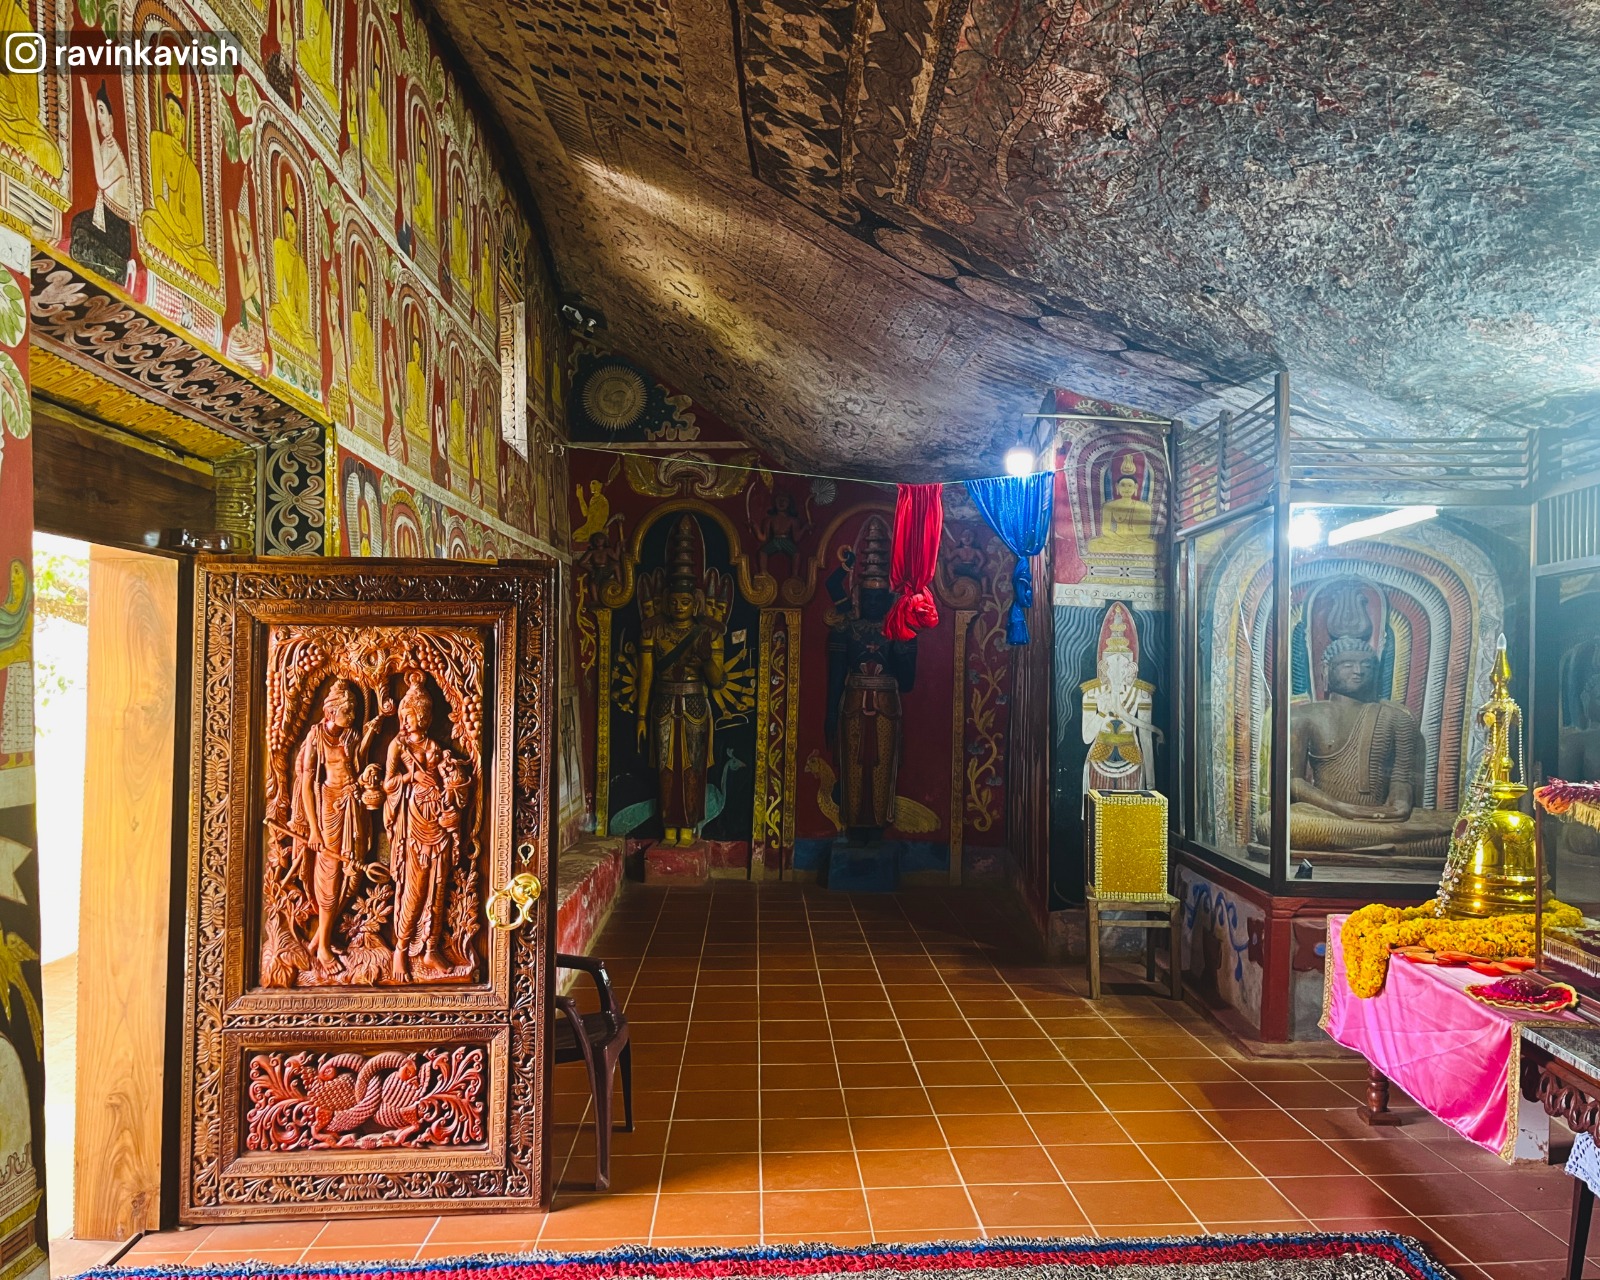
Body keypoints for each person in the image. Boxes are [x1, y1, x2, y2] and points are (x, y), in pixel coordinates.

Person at [635, 517, 727, 847]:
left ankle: (687, 827)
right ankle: (667, 827)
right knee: (664, 768)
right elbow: (646, 677)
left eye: (685, 602)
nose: (678, 606)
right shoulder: (654, 630)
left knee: (692, 768)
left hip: (694, 704)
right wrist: (642, 717)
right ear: (665, 601)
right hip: (661, 703)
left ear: (696, 602)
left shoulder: (708, 633)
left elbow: (717, 682)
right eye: (673, 601)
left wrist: (704, 657)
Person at [826, 516, 917, 844]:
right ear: (859, 597)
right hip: (852, 703)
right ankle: (853, 822)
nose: (875, 603)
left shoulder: (899, 631)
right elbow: (836, 677)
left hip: (886, 705)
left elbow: (907, 682)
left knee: (881, 765)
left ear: (889, 600)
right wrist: (828, 715)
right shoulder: (847, 628)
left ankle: (879, 822)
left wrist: (905, 651)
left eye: (881, 598)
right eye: (870, 597)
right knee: (853, 765)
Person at [291, 680, 389, 974]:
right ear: (333, 712)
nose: (353, 715)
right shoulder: (316, 738)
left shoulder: (350, 735)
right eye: (349, 711)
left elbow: (357, 763)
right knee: (329, 877)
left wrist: (373, 730)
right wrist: (314, 830)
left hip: (353, 807)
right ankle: (321, 949)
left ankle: (319, 940)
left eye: (355, 711)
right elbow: (307, 785)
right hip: (328, 810)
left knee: (353, 874)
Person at [384, 672, 472, 982]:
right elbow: (387, 784)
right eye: (403, 716)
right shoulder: (398, 746)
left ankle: (432, 948)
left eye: (411, 716)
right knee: (415, 889)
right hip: (414, 823)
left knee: (438, 886)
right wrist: (411, 778)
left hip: (438, 819)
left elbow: (452, 782)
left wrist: (450, 781)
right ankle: (401, 948)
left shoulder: (435, 747)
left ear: (423, 717)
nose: (406, 722)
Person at [142, 71, 220, 286]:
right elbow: (158, 197)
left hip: (187, 241)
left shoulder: (191, 169)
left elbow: (198, 234)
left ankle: (184, 261)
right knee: (148, 223)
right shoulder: (157, 141)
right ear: (165, 114)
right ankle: (182, 262)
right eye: (172, 113)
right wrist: (172, 227)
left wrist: (183, 235)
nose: (176, 122)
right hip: (165, 224)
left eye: (180, 117)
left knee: (212, 274)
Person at [69, 82, 132, 281]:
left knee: (81, 234)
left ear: (112, 120)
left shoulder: (113, 149)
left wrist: (89, 125)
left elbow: (102, 181)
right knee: (77, 229)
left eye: (102, 111)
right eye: (96, 112)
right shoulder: (106, 145)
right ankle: (114, 269)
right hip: (107, 222)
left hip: (118, 231)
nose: (99, 118)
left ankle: (120, 270)